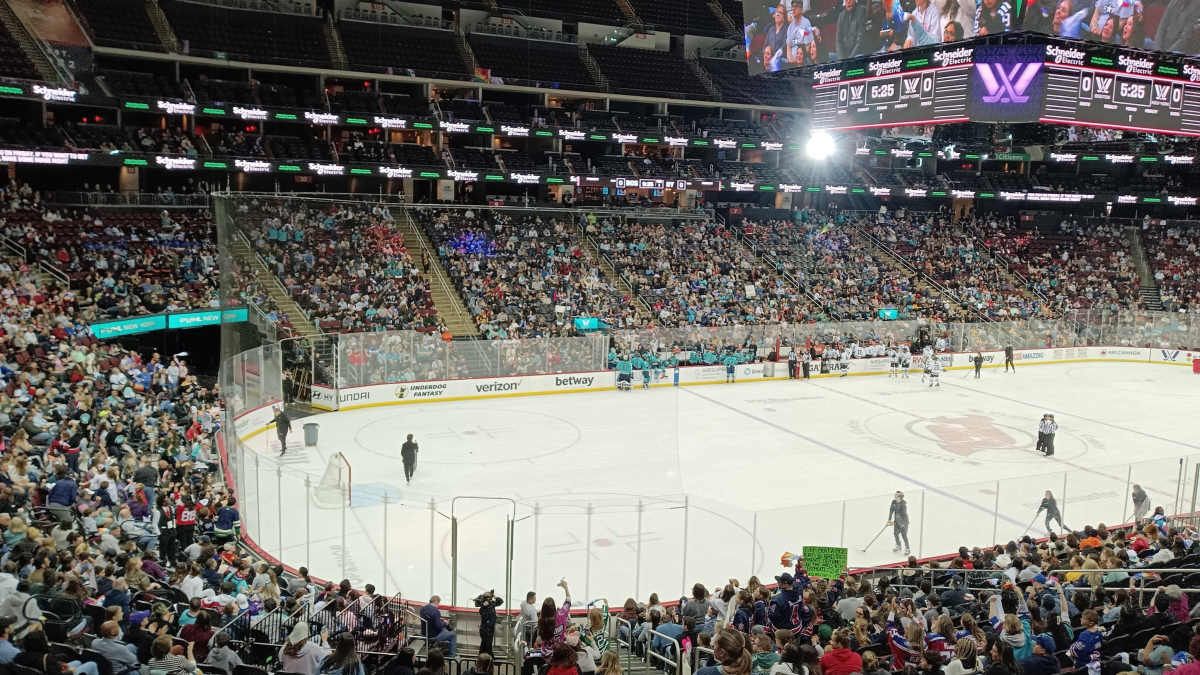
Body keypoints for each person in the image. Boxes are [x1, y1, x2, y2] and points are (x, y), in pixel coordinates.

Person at [475, 590, 502, 655]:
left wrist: (494, 596)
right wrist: (483, 604)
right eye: (487, 597)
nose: (488, 599)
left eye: (489, 597)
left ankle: (484, 658)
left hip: (490, 628)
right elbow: (480, 610)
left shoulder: (492, 604)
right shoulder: (482, 607)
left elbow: (500, 601)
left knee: (486, 644)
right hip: (485, 629)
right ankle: (488, 658)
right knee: (487, 644)